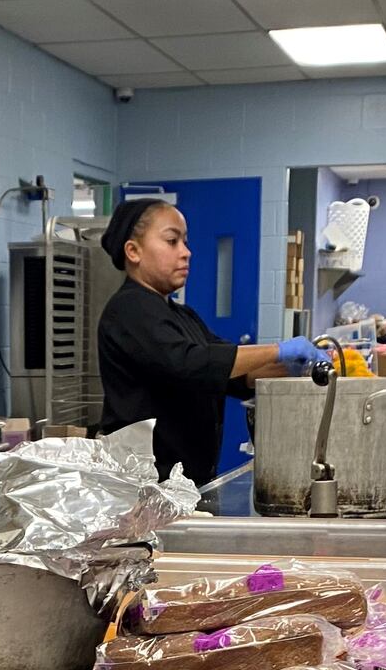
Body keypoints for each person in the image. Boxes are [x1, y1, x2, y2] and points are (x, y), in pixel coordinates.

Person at [96, 198, 329, 485]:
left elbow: (231, 373)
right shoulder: (129, 310)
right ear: (133, 251)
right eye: (172, 241)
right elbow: (191, 363)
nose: (186, 253)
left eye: (185, 241)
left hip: (185, 482)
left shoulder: (181, 316)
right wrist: (278, 350)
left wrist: (293, 368)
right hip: (144, 485)